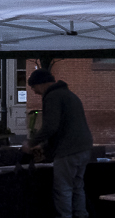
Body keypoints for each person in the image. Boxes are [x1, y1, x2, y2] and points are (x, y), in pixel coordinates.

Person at [21, 69, 93, 218]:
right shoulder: (70, 95)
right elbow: (64, 126)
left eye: (33, 87)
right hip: (84, 147)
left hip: (68, 150)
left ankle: (65, 216)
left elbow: (51, 126)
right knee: (77, 187)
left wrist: (32, 142)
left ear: (41, 84)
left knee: (63, 188)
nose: (34, 92)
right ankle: (81, 214)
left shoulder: (52, 96)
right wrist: (44, 145)